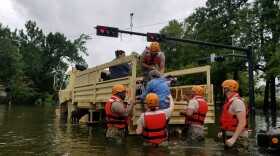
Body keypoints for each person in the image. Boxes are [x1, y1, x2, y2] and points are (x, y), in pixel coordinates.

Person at [217, 79, 249, 152]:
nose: (222, 90)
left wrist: (234, 138)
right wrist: (224, 131)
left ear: (227, 89)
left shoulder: (237, 102)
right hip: (231, 137)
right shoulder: (230, 102)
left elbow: (242, 122)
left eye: (223, 88)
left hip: (237, 139)